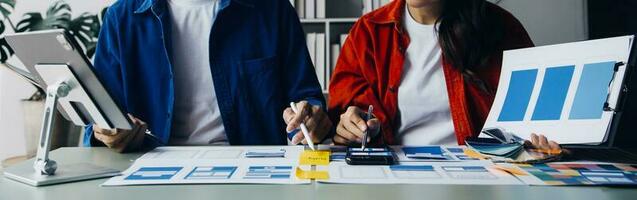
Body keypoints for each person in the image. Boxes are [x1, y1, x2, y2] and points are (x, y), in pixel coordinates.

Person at [86, 0, 332, 152]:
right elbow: (101, 117)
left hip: (253, 167)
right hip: (150, 164)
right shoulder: (121, 18)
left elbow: (306, 97)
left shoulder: (273, 9)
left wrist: (310, 117)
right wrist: (108, 134)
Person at [329, 0, 560, 151]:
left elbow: (539, 112)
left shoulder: (499, 26)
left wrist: (545, 141)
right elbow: (344, 120)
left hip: (486, 174)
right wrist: (351, 128)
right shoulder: (368, 31)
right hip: (397, 174)